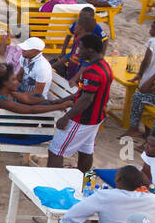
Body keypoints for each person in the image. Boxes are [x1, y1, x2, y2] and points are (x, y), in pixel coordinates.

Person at [48, 33, 112, 172]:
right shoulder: (105, 66)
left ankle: (51, 186)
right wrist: (63, 100)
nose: (78, 51)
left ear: (91, 50)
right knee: (86, 151)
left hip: (83, 119)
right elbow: (84, 92)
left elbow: (86, 99)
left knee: (55, 150)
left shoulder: (92, 71)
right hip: (97, 117)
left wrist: (66, 117)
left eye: (81, 48)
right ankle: (83, 181)